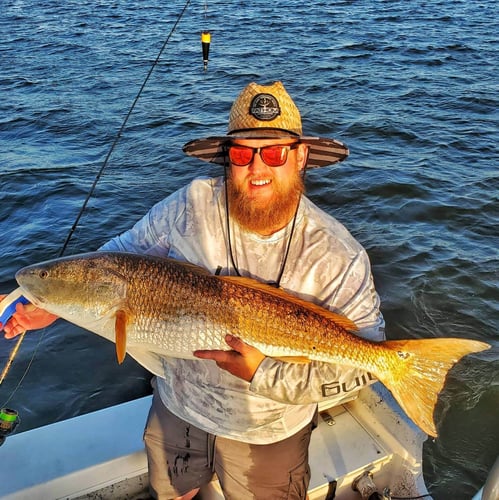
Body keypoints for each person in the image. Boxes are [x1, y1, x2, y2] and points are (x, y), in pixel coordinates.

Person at [2, 81, 385, 499]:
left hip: (268, 429)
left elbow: (366, 365)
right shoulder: (190, 205)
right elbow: (117, 260)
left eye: (274, 152)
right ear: (227, 159)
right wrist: (49, 303)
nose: (258, 169)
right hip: (179, 407)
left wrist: (263, 372)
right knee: (172, 493)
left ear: (301, 156)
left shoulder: (337, 254)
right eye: (242, 153)